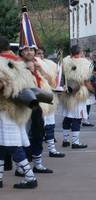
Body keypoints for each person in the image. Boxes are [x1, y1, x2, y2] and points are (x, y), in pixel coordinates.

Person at [0, 35, 37, 188]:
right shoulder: (19, 63)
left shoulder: (2, 63)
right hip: (18, 111)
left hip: (5, 110)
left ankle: (30, 178)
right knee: (1, 146)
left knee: (13, 146)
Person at [15, 46, 54, 174]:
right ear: (21, 52)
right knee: (23, 137)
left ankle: (38, 164)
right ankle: (21, 167)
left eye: (31, 50)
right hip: (22, 106)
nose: (29, 52)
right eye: (25, 50)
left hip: (37, 106)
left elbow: (51, 81)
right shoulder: (16, 66)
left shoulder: (38, 65)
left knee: (38, 134)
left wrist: (39, 69)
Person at [35, 47, 65, 158]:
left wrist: (59, 86)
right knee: (36, 129)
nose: (41, 55)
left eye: (42, 53)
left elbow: (53, 81)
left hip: (49, 98)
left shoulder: (50, 65)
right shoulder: (31, 65)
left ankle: (52, 149)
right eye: (38, 53)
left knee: (50, 125)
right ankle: (33, 155)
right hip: (37, 100)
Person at [62, 45, 93, 148]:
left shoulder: (65, 61)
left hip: (67, 93)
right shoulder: (85, 63)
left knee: (67, 117)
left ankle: (65, 140)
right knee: (77, 118)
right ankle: (75, 142)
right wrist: (95, 91)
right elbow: (87, 80)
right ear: (81, 52)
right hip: (79, 93)